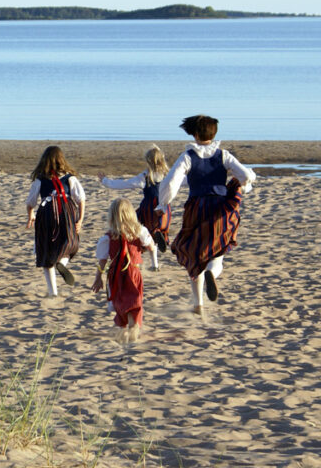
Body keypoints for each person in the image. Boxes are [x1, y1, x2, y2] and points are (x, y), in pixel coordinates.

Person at [157, 115, 255, 312]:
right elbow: (244, 175)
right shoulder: (223, 155)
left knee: (194, 253)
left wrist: (163, 203)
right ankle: (212, 271)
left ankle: (198, 303)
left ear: (194, 134)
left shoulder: (187, 156)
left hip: (196, 208)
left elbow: (171, 182)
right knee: (218, 251)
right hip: (220, 207)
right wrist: (244, 183)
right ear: (214, 133)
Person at [97, 144, 172, 270]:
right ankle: (159, 235)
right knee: (160, 228)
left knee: (138, 228)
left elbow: (123, 184)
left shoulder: (144, 177)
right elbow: (185, 180)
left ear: (148, 161)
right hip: (163, 207)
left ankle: (147, 254)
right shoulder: (168, 175)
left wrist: (105, 181)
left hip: (148, 208)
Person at [91, 198, 156, 342]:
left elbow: (102, 260)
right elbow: (151, 246)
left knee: (121, 302)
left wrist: (98, 277)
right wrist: (153, 261)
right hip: (133, 272)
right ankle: (132, 331)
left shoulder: (107, 238)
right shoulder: (140, 232)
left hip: (115, 275)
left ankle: (124, 330)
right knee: (134, 302)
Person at [26, 146, 85, 297]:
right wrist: (80, 219)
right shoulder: (70, 178)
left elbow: (31, 202)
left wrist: (31, 215)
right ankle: (62, 263)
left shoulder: (40, 180)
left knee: (46, 250)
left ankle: (53, 292)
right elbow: (81, 199)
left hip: (46, 215)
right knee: (69, 244)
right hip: (67, 213)